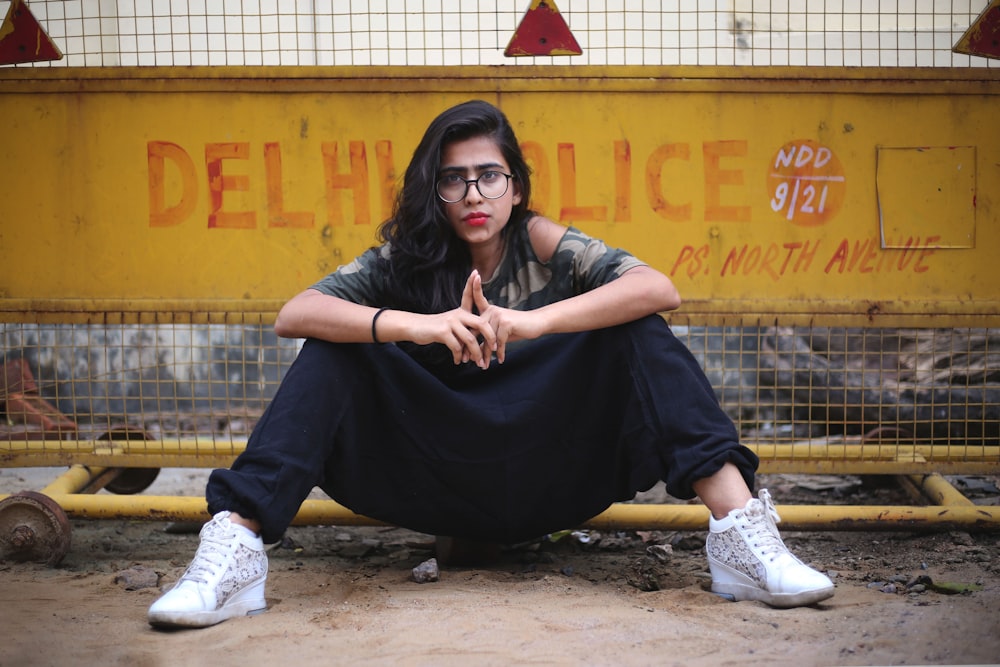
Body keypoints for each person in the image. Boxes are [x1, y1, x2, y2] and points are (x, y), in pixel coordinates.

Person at [147, 100, 834, 628]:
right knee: (337, 346)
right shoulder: (404, 261)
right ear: (433, 191)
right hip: (433, 470)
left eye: (489, 176)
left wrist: (532, 320)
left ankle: (744, 542)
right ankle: (232, 556)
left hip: (550, 466)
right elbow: (293, 313)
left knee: (636, 329)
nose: (473, 195)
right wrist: (418, 325)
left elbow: (659, 287)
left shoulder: (545, 244)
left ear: (514, 186)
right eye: (453, 180)